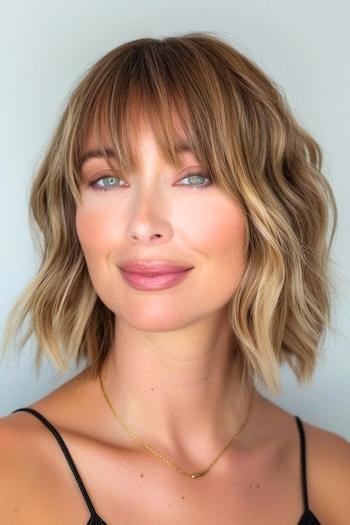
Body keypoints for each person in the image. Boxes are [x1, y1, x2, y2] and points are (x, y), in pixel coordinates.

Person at [0, 31, 349, 524]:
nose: (144, 223)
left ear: (267, 208)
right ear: (73, 213)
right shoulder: (10, 472)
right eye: (107, 179)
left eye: (194, 177)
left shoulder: (336, 477)